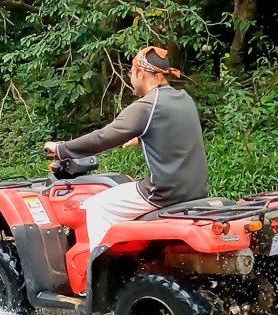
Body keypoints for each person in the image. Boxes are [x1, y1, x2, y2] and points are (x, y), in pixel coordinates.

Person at [43, 46, 209, 247]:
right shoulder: (184, 98)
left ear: (141, 72)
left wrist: (61, 149)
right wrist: (142, 137)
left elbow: (103, 138)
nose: (130, 77)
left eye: (131, 72)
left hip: (163, 191)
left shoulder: (147, 105)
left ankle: (101, 273)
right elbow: (176, 130)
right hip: (195, 189)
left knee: (97, 207)